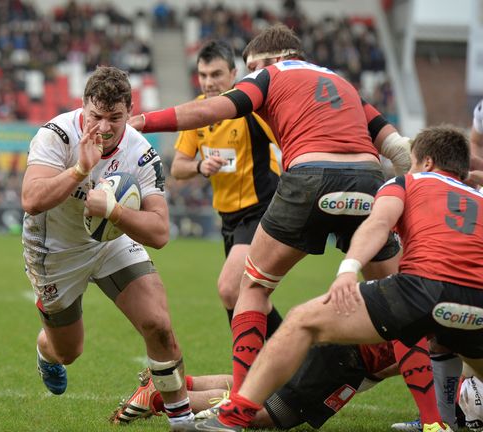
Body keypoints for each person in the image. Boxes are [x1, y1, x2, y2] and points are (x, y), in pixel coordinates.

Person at [130, 22, 412, 396]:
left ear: (272, 61)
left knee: (244, 287)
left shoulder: (264, 87)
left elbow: (236, 117)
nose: (248, 75)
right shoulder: (339, 83)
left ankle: (246, 395)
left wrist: (143, 121)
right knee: (401, 302)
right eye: (203, 74)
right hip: (350, 186)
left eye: (245, 69)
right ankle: (437, 410)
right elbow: (399, 150)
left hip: (284, 197)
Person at [171, 125, 481, 432]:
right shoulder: (478, 198)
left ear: (425, 162)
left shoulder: (406, 182)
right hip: (476, 302)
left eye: (412, 161)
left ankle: (229, 417)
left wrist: (349, 268)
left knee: (301, 320)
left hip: (418, 293)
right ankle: (435, 422)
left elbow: (377, 224)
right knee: (432, 336)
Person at [20, 66, 194, 426]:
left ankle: (182, 420)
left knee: (158, 323)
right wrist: (80, 171)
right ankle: (45, 351)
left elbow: (160, 233)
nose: (103, 127)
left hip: (111, 243)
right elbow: (31, 199)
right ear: (83, 108)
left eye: (115, 118)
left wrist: (113, 211)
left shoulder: (142, 152)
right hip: (55, 251)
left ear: (129, 113)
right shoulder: (56, 135)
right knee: (69, 351)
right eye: (95, 116)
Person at [170, 40, 283, 333]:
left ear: (234, 74)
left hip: (261, 210)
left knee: (229, 288)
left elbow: (287, 139)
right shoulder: (197, 113)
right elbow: (177, 167)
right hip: (229, 218)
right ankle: (282, 355)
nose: (209, 82)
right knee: (247, 297)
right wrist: (199, 166)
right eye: (203, 75)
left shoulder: (252, 106)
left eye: (216, 74)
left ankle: (263, 364)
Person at [112, 341, 398, 429]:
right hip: (347, 359)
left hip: (331, 331)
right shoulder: (434, 307)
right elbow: (411, 359)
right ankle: (159, 398)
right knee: (267, 413)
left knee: (253, 382)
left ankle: (176, 386)